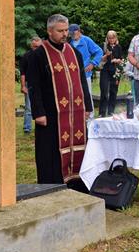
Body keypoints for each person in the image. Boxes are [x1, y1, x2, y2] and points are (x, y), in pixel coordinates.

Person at [25, 14, 92, 188]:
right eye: (60, 31)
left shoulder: (74, 52)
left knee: (79, 145)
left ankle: (77, 183)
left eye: (66, 31)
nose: (64, 34)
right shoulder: (38, 55)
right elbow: (34, 86)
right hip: (50, 113)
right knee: (50, 150)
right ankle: (52, 185)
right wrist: (38, 112)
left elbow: (82, 80)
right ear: (49, 31)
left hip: (75, 112)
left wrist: (87, 106)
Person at [69, 24, 103, 116]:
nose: (72, 35)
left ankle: (90, 117)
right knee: (74, 95)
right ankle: (77, 115)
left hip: (85, 73)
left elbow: (99, 51)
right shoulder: (69, 43)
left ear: (79, 31)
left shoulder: (86, 40)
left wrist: (93, 63)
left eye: (74, 32)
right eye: (70, 33)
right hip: (72, 74)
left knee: (87, 95)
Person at [19, 37, 42, 134]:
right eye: (34, 46)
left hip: (42, 84)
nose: (36, 48)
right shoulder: (26, 56)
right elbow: (23, 73)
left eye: (38, 46)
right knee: (29, 106)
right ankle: (27, 128)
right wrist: (23, 86)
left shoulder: (44, 56)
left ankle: (42, 125)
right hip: (30, 84)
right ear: (31, 46)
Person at [99, 30, 124, 117]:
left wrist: (117, 60)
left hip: (115, 71)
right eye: (109, 38)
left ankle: (111, 112)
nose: (111, 40)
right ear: (107, 38)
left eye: (113, 38)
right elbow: (100, 59)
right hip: (105, 70)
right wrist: (106, 55)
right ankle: (102, 113)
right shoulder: (104, 46)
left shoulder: (118, 47)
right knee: (104, 91)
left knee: (113, 91)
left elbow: (121, 59)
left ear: (115, 38)